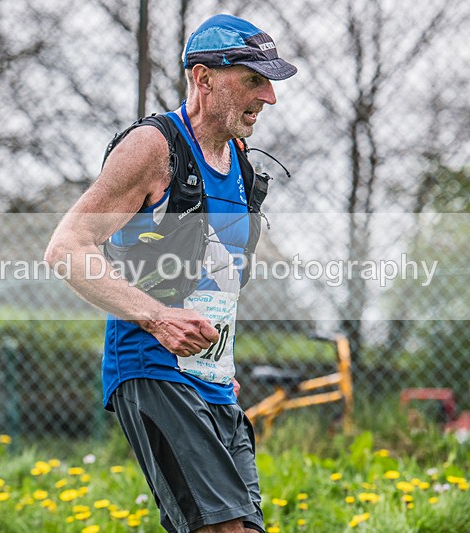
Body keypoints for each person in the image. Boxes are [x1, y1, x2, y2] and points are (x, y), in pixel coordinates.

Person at [45, 14, 297, 533]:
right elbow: (67, 247)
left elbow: (216, 279)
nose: (268, 97)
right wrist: (157, 317)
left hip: (214, 382)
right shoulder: (154, 148)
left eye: (268, 83)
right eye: (253, 79)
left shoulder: (241, 161)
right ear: (203, 78)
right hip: (152, 368)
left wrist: (220, 365)